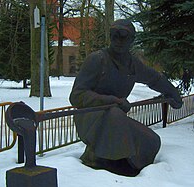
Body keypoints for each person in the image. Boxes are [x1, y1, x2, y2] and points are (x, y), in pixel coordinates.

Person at [69, 19, 182, 176]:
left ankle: (127, 163)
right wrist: (111, 101)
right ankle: (103, 161)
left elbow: (154, 79)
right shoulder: (97, 60)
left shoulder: (132, 64)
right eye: (115, 36)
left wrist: (173, 93)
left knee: (151, 140)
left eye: (124, 37)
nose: (119, 41)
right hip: (91, 117)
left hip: (115, 119)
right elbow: (76, 95)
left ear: (132, 40)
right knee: (115, 115)